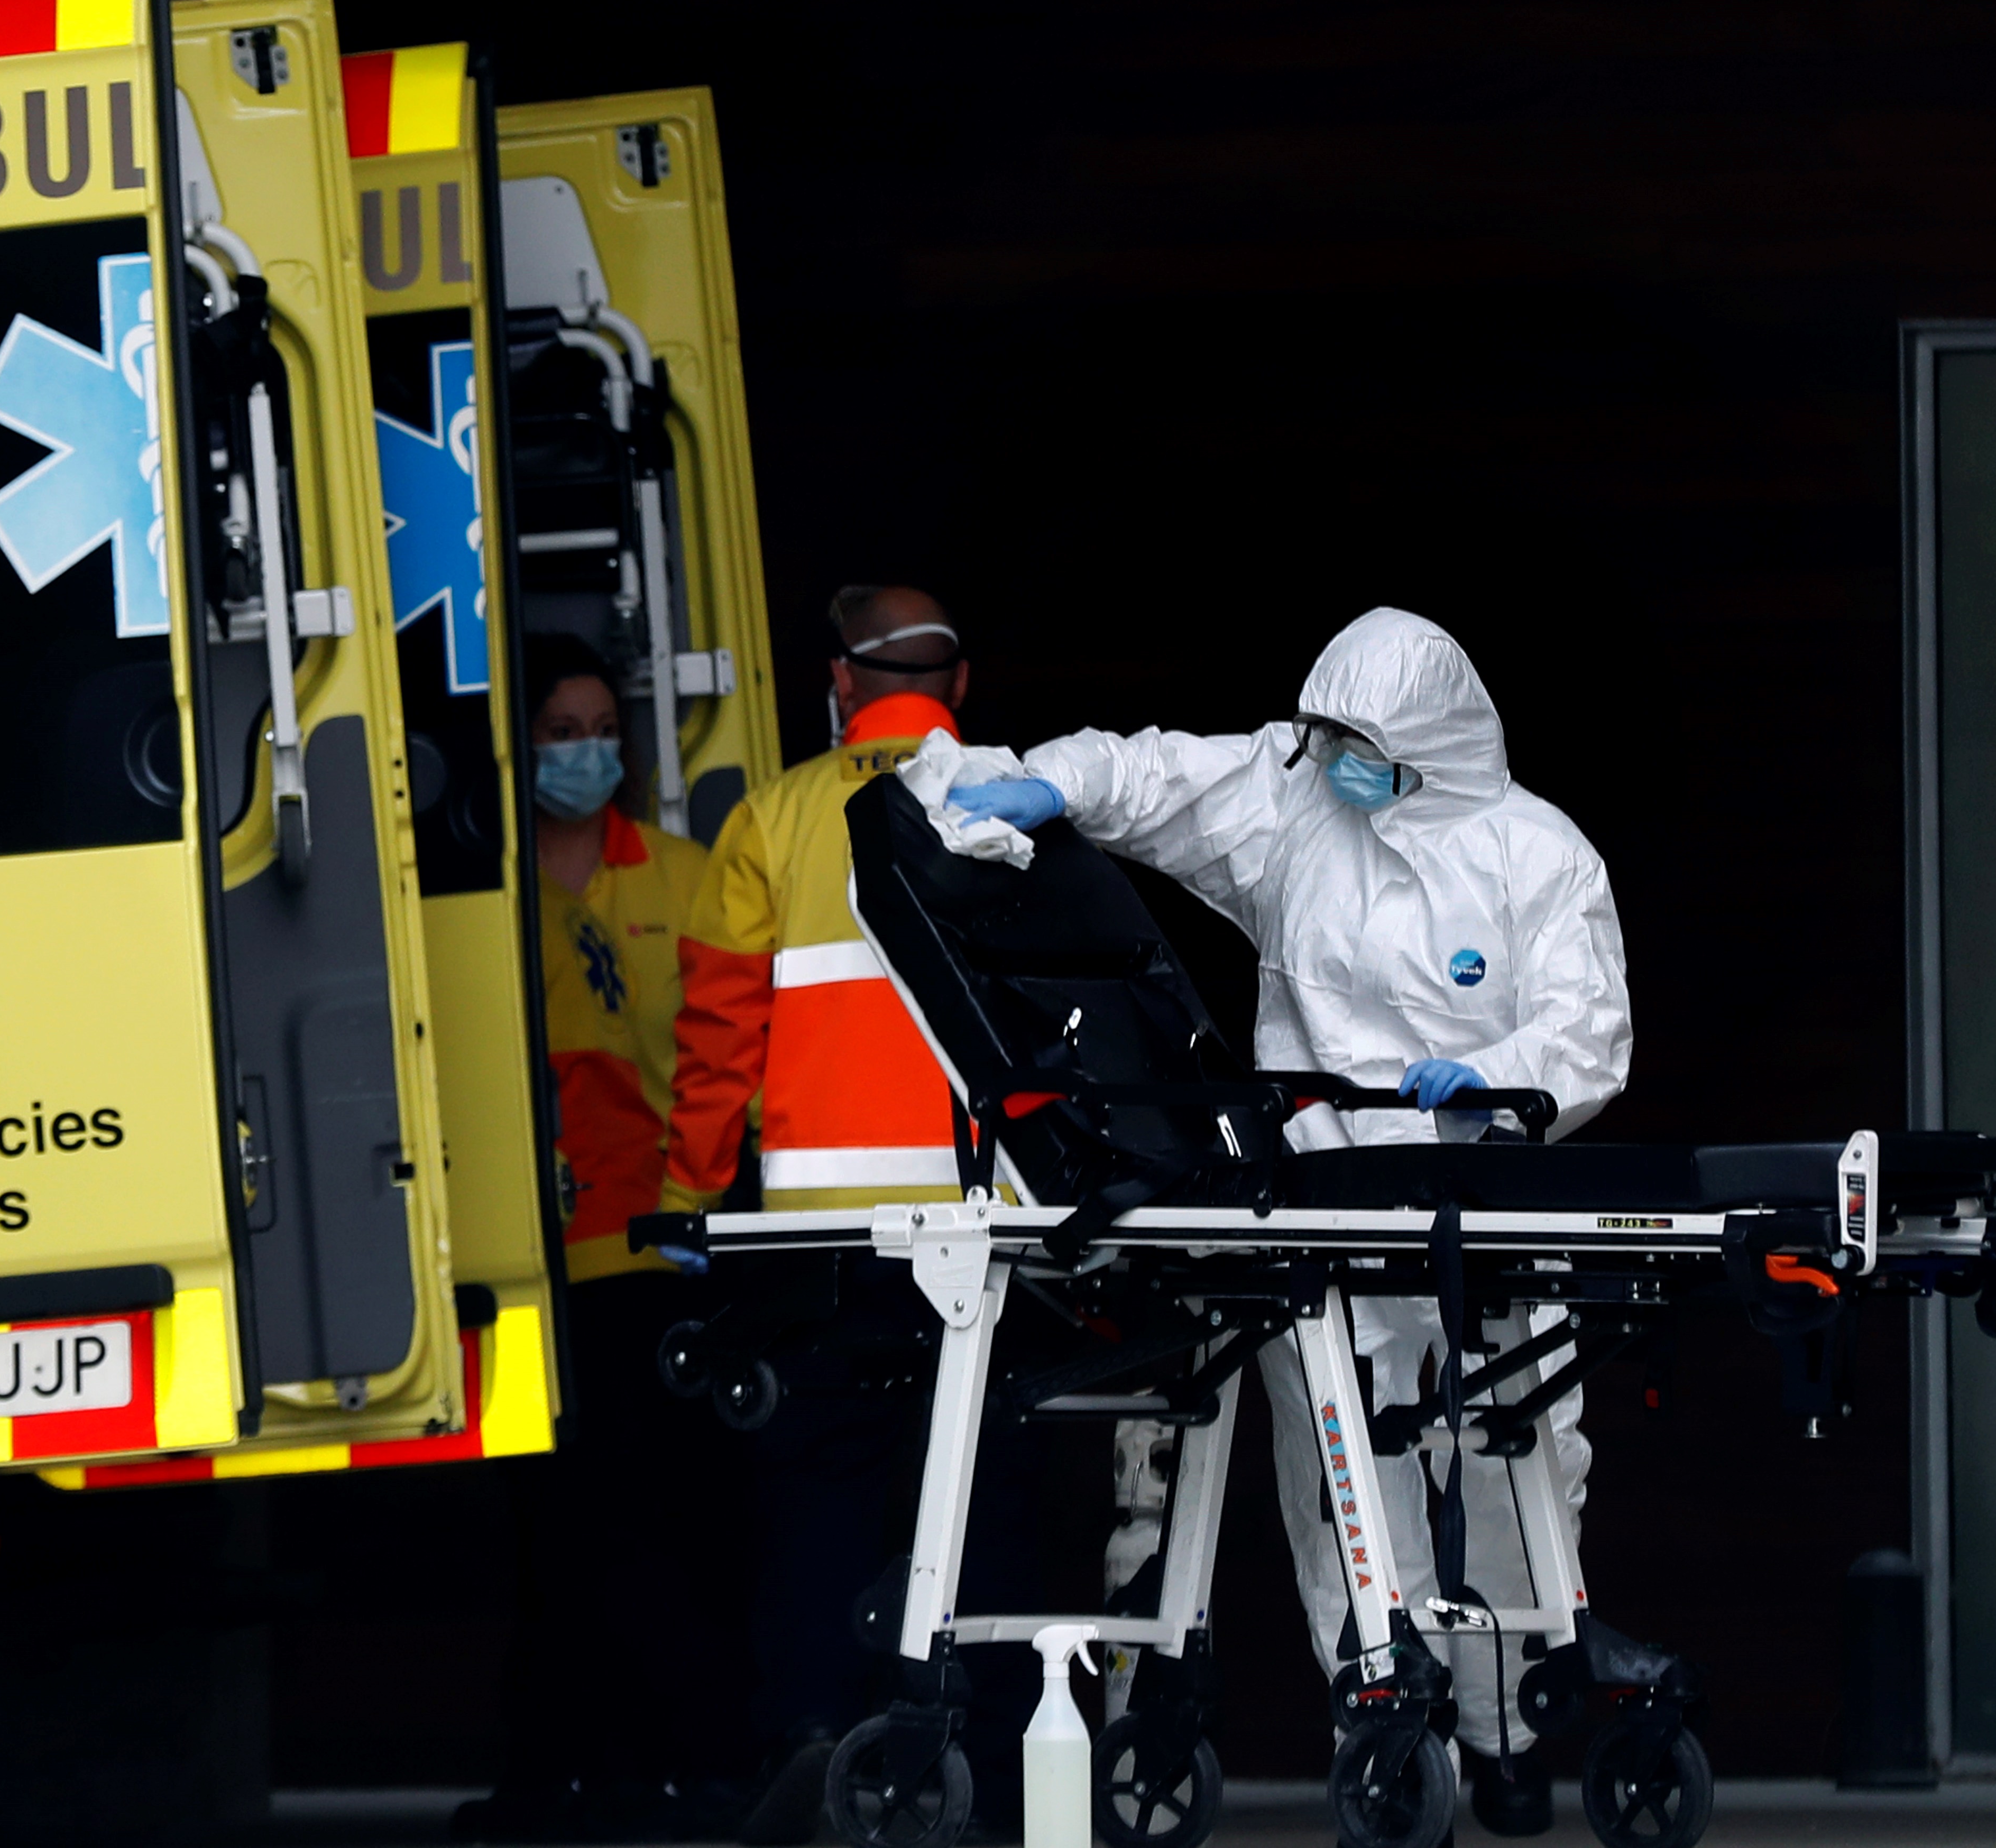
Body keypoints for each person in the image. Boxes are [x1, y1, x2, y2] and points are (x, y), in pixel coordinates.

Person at [946, 607, 1628, 1837]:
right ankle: (1391, 1713)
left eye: (1364, 741)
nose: (1337, 759)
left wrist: (1500, 1080)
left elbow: (1591, 1032)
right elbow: (1160, 779)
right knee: (1347, 1492)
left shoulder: (1540, 858)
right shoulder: (1301, 804)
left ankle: (1507, 1729)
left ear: (1430, 741)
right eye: (1327, 735)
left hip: (1486, 1214)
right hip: (1322, 1209)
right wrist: (1049, 780)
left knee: (1514, 1474)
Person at [668, 587, 1046, 1845]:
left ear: (839, 680)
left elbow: (721, 1035)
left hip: (822, 1242)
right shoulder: (1028, 802)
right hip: (991, 1232)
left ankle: (816, 1739)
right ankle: (989, 1750)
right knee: (983, 1494)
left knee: (819, 1494)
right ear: (962, 681)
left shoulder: (773, 817)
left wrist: (688, 1191)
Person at [461, 635, 722, 1843]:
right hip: (526, 1267)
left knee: (661, 1523)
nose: (586, 749)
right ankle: (545, 1777)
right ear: (525, 750)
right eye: (561, 731)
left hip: (655, 1256)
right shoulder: (483, 889)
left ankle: (670, 1771)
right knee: (547, 1536)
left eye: (599, 725)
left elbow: (730, 1061)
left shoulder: (682, 877)